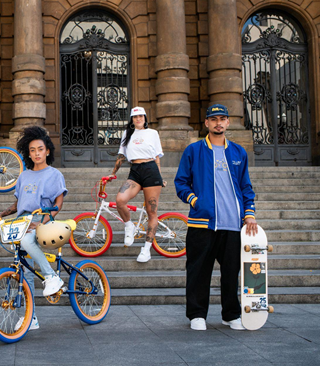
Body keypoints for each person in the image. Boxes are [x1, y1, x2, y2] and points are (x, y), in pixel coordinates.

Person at [175, 104, 258, 331]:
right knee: (198, 271)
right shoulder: (194, 150)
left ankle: (231, 314)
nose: (218, 123)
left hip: (232, 224)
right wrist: (195, 201)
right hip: (202, 223)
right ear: (207, 123)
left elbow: (246, 187)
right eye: (214, 119)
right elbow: (181, 183)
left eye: (222, 119)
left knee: (231, 272)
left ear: (228, 122)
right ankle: (197, 315)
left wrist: (249, 214)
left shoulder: (238, 152)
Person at [0, 126, 67, 330]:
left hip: (42, 218)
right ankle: (30, 317)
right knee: (25, 271)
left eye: (40, 149)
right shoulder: (24, 176)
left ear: (47, 151)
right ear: (28, 153)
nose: (37, 153)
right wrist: (1, 214)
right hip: (21, 221)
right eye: (32, 150)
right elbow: (18, 204)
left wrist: (44, 221)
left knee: (26, 241)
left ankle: (51, 276)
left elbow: (58, 203)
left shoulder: (55, 174)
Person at [108, 106, 166, 262]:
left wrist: (160, 177)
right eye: (135, 116)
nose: (138, 118)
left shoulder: (153, 133)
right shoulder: (127, 134)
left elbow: (157, 157)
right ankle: (129, 226)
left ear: (145, 118)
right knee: (120, 200)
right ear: (132, 119)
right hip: (135, 171)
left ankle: (146, 249)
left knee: (151, 211)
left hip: (151, 170)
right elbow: (121, 156)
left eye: (141, 116)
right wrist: (113, 173)